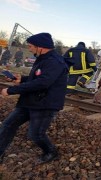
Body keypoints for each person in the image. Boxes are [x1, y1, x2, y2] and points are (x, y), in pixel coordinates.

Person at [0, 32, 68, 164]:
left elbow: (43, 82)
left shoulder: (55, 62)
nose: (29, 49)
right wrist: (21, 79)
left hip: (45, 103)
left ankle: (51, 151)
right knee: (8, 125)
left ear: (40, 47)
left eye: (31, 46)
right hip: (30, 100)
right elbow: (37, 77)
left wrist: (11, 90)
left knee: (35, 134)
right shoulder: (42, 58)